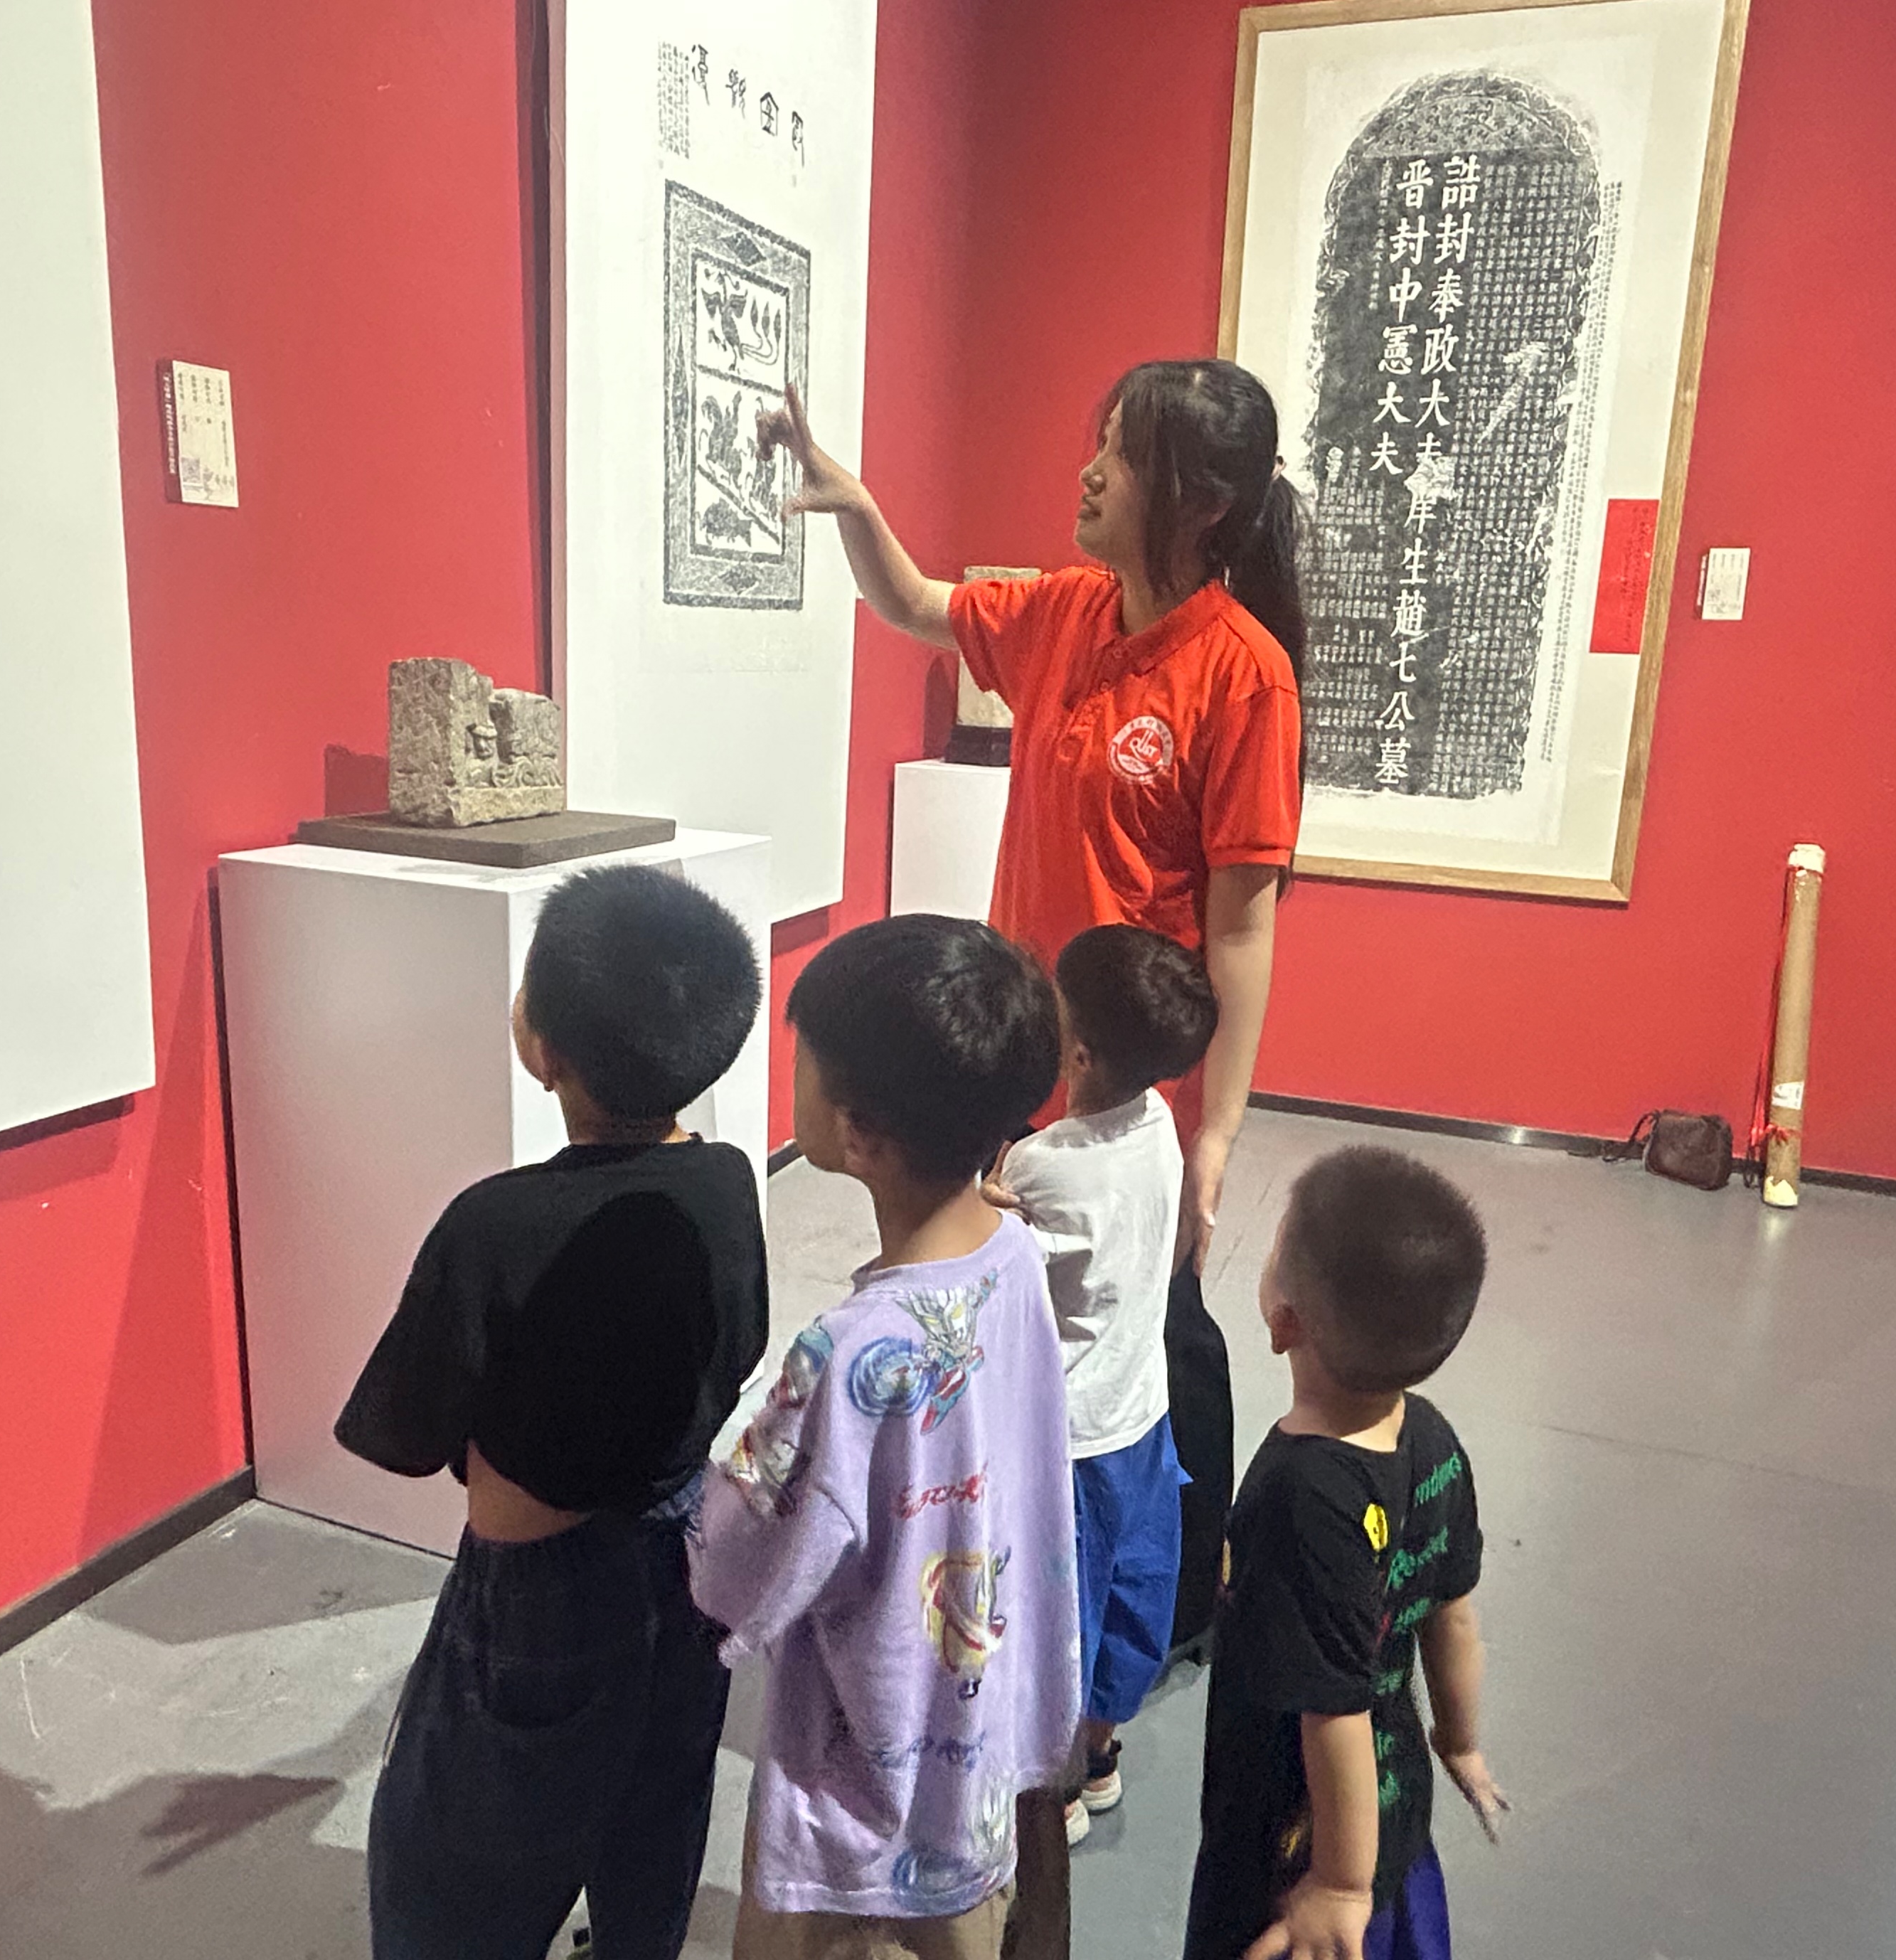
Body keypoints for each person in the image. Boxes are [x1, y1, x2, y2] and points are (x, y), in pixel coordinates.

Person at [760, 356, 1305, 1655]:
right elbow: (914, 602)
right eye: (1097, 439)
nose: (1088, 470)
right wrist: (852, 503)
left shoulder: (1243, 676)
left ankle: (1175, 1594)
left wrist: (1215, 1132)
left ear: (1200, 501)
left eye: (1119, 452)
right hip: (1026, 1043)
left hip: (1133, 1070)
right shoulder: (1066, 609)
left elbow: (1242, 924)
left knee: (1151, 1328)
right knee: (1018, 1294)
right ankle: (1013, 1551)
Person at [335, 864, 769, 1960]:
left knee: (455, 1857)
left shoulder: (491, 1225)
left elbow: (405, 1431)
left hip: (539, 1588)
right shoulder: (728, 1182)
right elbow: (741, 1346)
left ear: (542, 1047)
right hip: (691, 1556)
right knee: (656, 1803)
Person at [690, 915, 1077, 1960]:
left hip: (865, 1804)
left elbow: (736, 1563)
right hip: (978, 1749)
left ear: (857, 1131)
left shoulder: (852, 1352)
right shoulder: (1015, 1251)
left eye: (803, 1057)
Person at [1183, 1148, 1506, 1960]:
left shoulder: (1300, 1495)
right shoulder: (1431, 1438)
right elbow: (1452, 1616)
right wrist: (1458, 1739)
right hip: (1393, 1806)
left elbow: (1334, 1712)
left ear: (1283, 1320)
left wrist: (1339, 1883)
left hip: (1297, 1843)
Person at [991, 925, 1219, 1842]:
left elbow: (998, 1275)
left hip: (1069, 1438)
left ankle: (1049, 1792)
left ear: (1075, 1050)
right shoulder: (1160, 1121)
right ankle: (1098, 1753)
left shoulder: (1040, 1164)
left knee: (1061, 1611)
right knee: (1132, 1590)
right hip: (1143, 1416)